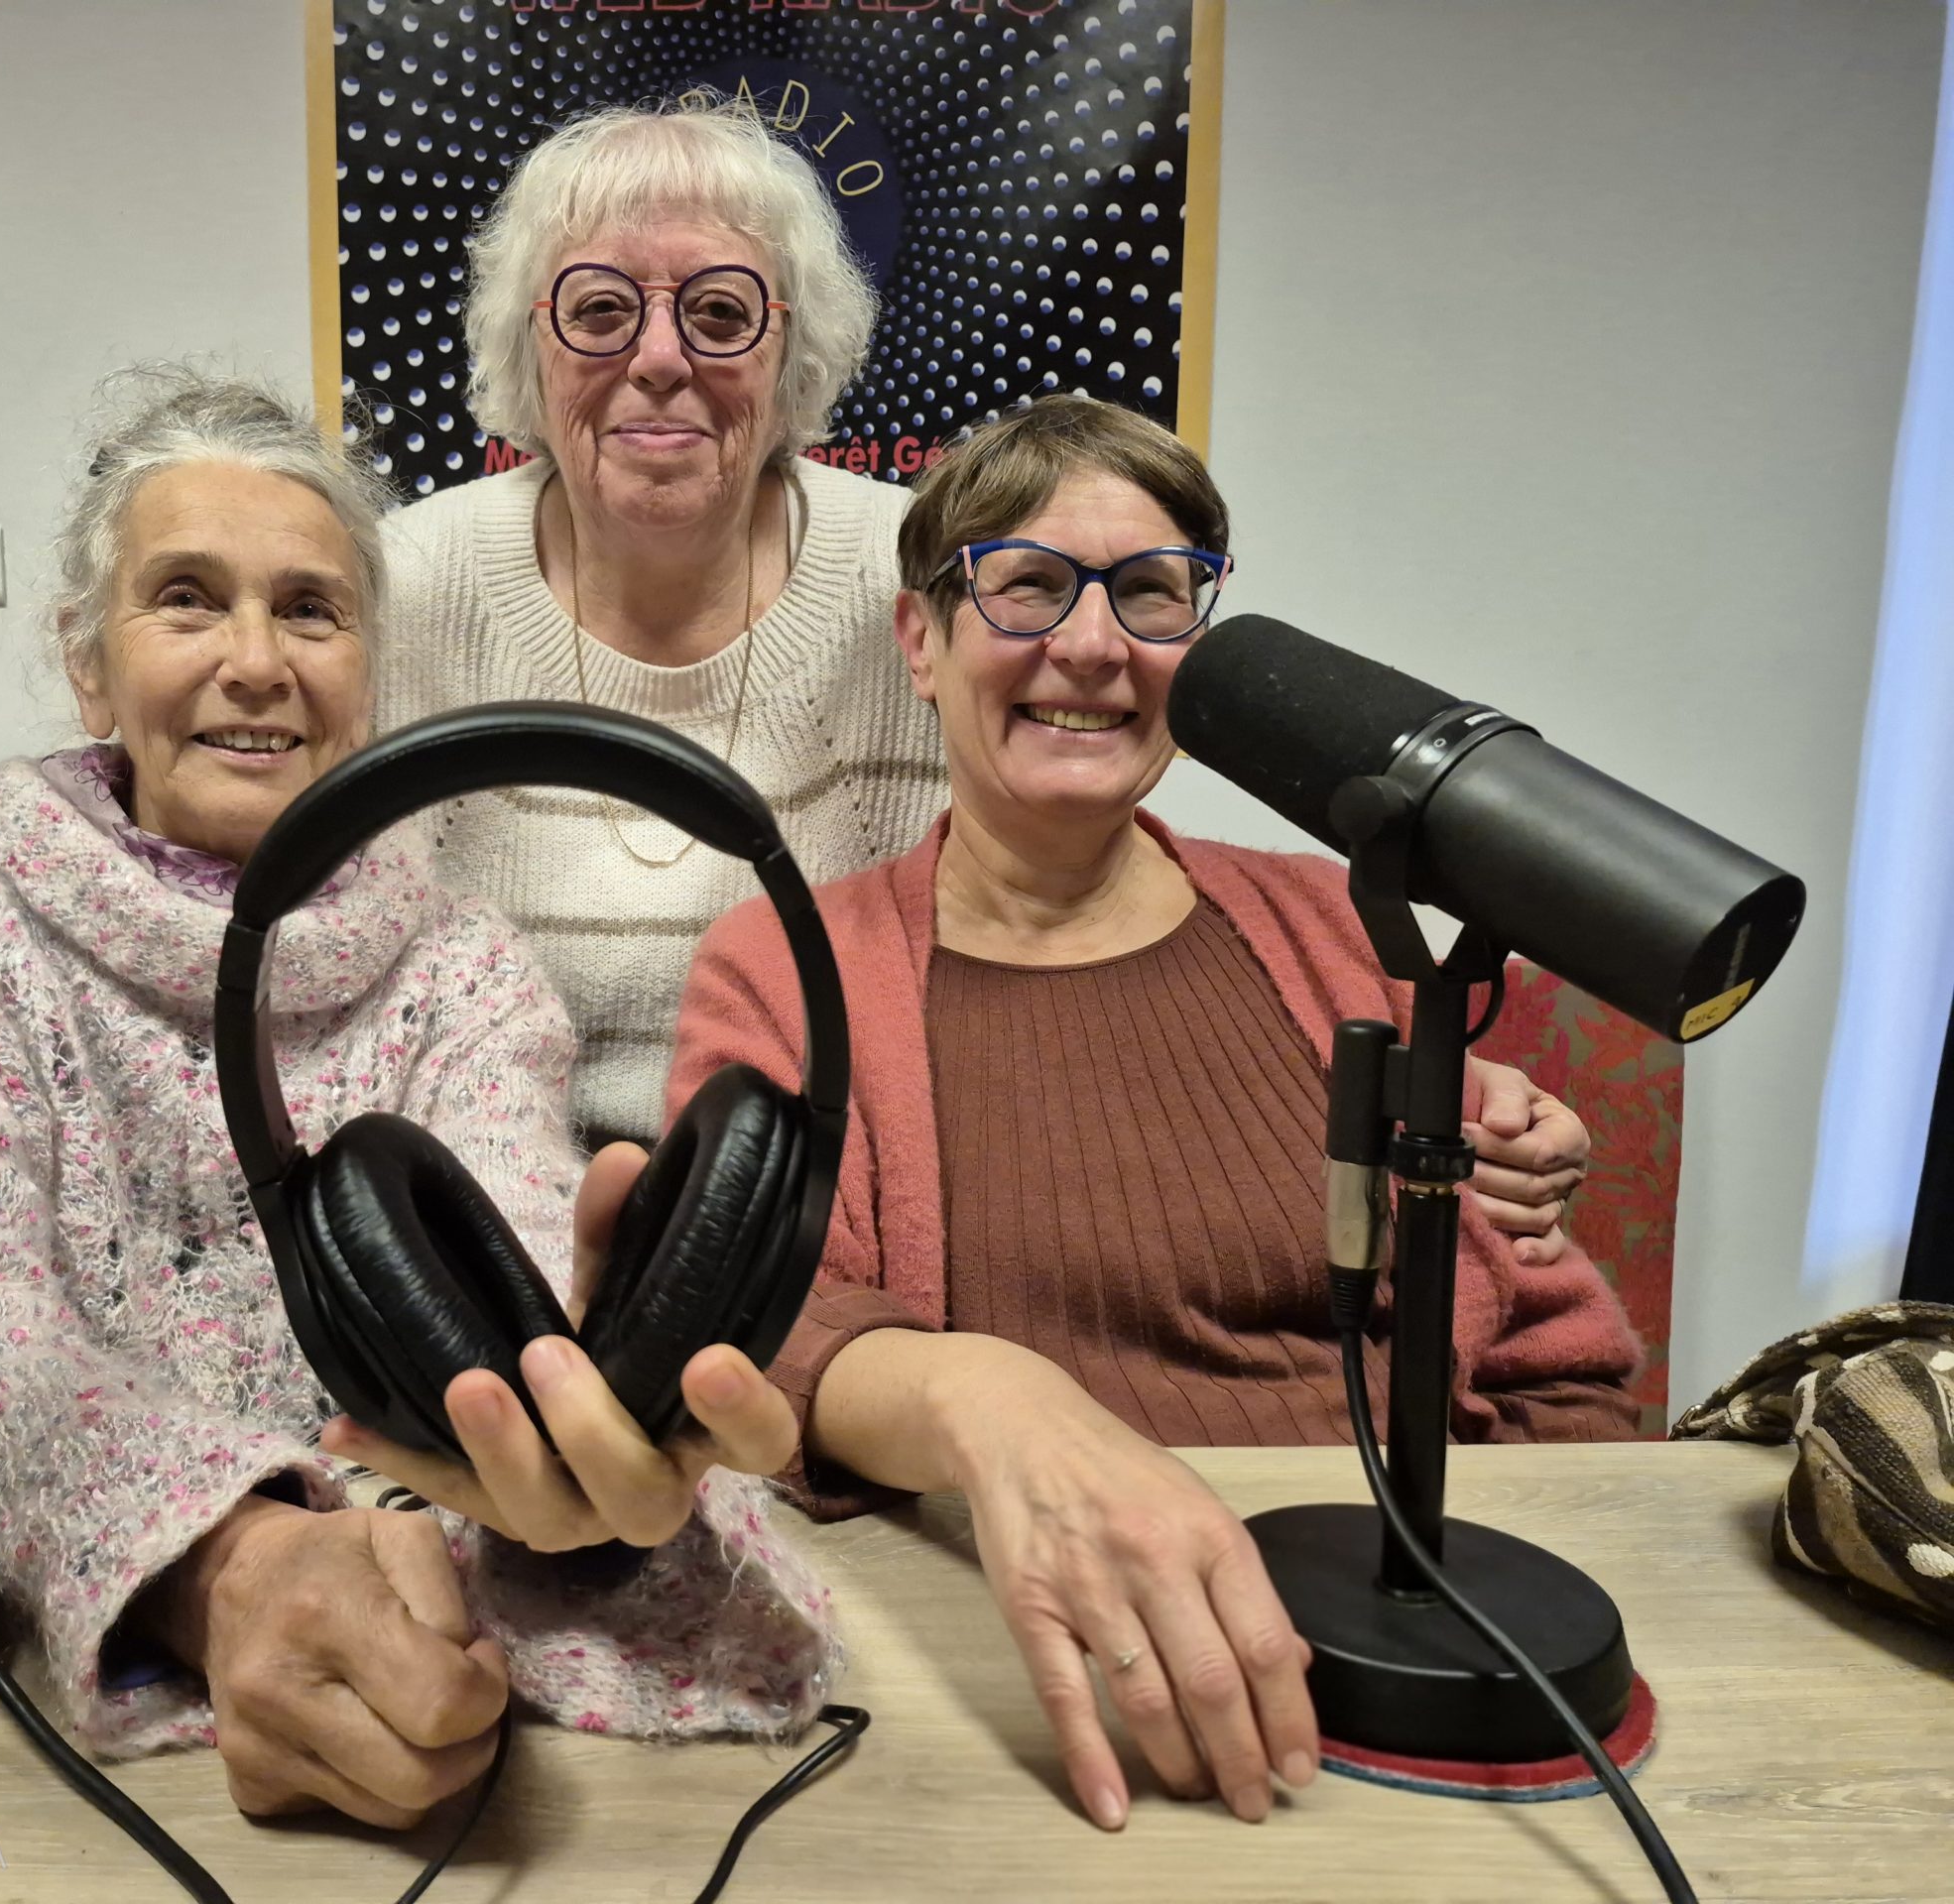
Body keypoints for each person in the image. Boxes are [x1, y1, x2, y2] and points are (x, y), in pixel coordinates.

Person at [0, 368, 836, 1832]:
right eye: (187, 599)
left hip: (441, 1715)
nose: (257, 660)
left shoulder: (468, 974)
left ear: (366, 676)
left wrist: (589, 1413)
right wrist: (222, 1564)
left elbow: (507, 1274)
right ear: (89, 665)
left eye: (312, 610)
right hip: (31, 1764)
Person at [666, 395, 1643, 1834]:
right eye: (1029, 583)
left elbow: (1564, 1370)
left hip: (1417, 1689)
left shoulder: (1341, 932)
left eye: (1152, 593)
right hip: (1036, 1702)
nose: (1092, 644)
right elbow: (750, 1322)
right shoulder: (789, 964)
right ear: (921, 641)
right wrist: (994, 1398)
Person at [375, 97, 946, 1146]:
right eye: (599, 311)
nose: (659, 358)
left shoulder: (913, 581)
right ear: (528, 346)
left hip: (824, 1218)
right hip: (480, 1223)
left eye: (721, 313)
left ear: (791, 360)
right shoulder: (402, 585)